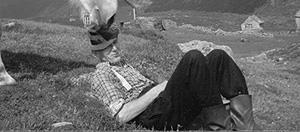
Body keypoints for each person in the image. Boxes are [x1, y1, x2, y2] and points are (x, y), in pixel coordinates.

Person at [87, 26, 260, 131]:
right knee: (193, 58)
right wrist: (158, 88)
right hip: (151, 115)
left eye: (115, 43)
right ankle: (219, 128)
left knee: (218, 57)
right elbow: (121, 115)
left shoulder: (123, 65)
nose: (115, 49)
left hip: (164, 105)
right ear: (96, 53)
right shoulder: (102, 73)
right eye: (108, 48)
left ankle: (245, 126)